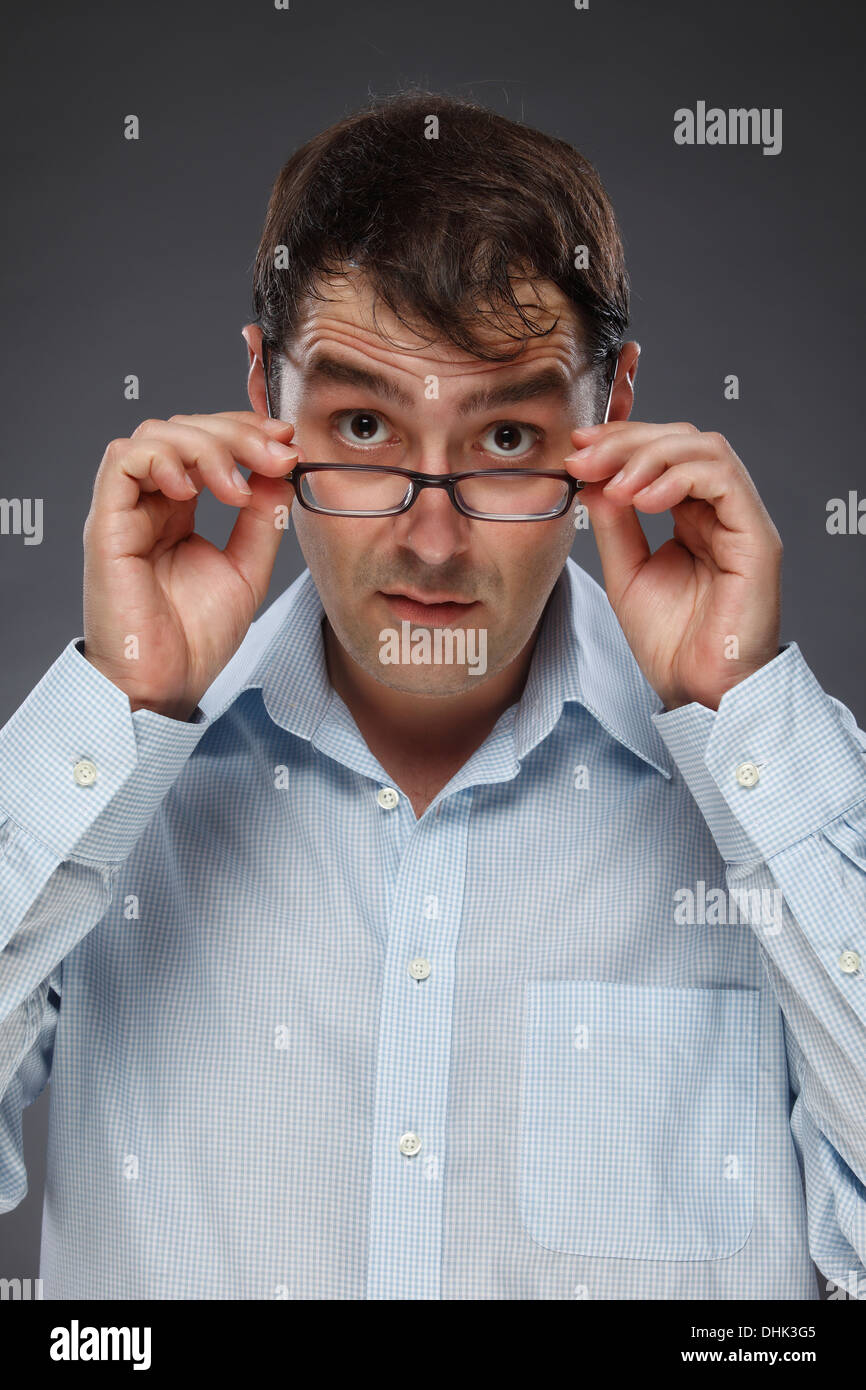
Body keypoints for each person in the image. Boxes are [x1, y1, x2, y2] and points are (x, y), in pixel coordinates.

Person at [1, 89, 864, 1301]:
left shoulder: (774, 804)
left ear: (606, 408)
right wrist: (116, 703)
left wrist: (744, 730)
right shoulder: (100, 793)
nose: (431, 537)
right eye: (361, 423)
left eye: (505, 439)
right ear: (266, 398)